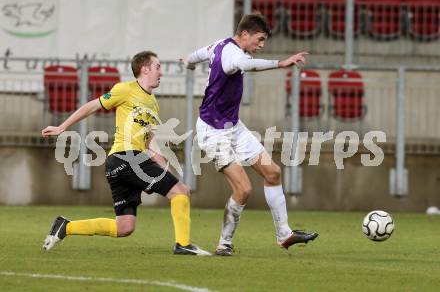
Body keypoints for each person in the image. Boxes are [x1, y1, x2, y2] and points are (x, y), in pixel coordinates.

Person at [41, 51, 211, 256]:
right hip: (126, 157)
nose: (161, 73)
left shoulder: (153, 103)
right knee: (180, 192)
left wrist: (161, 162)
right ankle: (183, 244)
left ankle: (65, 227)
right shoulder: (124, 89)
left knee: (124, 227)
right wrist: (62, 127)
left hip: (123, 163)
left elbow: (149, 140)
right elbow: (91, 106)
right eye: (158, 67)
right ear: (145, 69)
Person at [181, 14, 318, 256]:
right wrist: (281, 63)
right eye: (260, 39)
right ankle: (224, 244)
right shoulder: (234, 54)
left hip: (233, 127)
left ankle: (284, 234)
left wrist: (188, 62)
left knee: (273, 172)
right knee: (243, 189)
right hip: (213, 131)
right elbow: (247, 65)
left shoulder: (219, 45)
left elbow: (199, 54)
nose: (261, 45)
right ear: (245, 34)